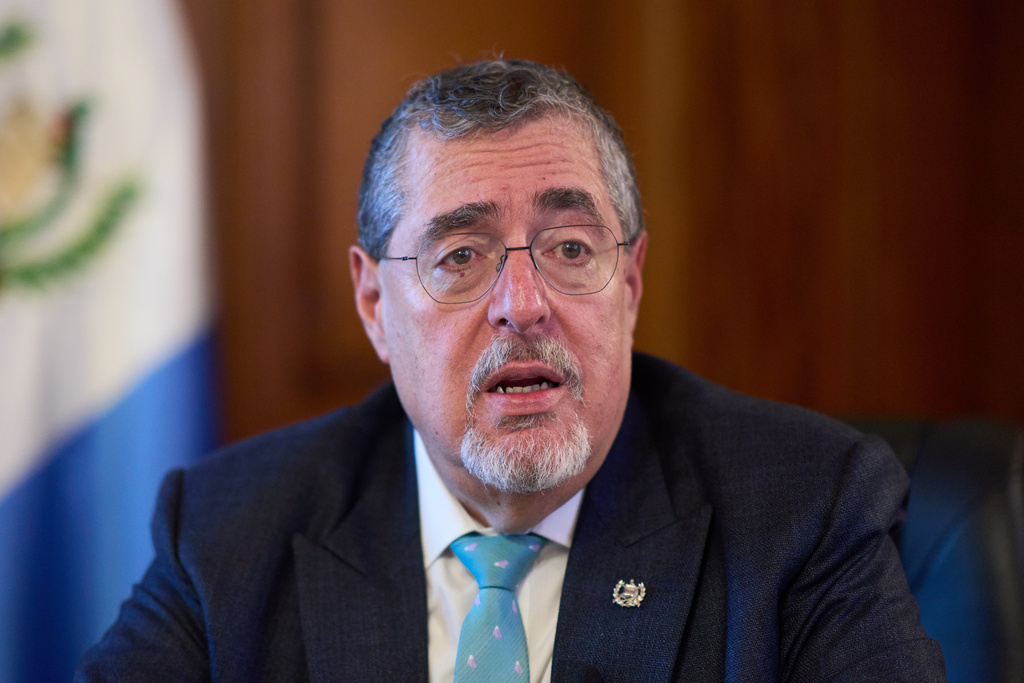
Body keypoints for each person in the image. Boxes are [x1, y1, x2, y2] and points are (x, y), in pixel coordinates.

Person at [76, 59, 946, 682]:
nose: (522, 301)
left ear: (630, 283)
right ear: (375, 303)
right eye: (461, 255)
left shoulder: (806, 509)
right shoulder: (226, 533)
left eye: (571, 247)